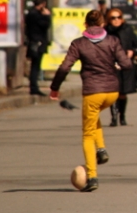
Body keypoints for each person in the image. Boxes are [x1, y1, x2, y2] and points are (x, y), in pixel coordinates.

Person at [48, 10, 132, 192]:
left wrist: (55, 87)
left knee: (87, 134)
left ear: (85, 25)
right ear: (103, 24)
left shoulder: (79, 44)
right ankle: (101, 149)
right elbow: (126, 64)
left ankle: (92, 177)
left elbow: (64, 67)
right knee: (93, 118)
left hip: (93, 92)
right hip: (112, 93)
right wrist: (115, 66)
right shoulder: (112, 40)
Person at [105, 8, 137, 127]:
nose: (116, 20)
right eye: (113, 18)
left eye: (118, 17)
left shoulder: (128, 29)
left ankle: (122, 116)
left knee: (122, 93)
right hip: (111, 65)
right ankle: (114, 118)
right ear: (109, 20)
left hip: (125, 65)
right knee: (113, 92)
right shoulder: (105, 32)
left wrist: (132, 51)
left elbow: (136, 45)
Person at [24, 0, 51, 96]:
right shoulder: (36, 15)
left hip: (33, 42)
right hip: (37, 43)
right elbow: (45, 25)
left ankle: (34, 86)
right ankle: (34, 87)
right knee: (35, 66)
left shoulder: (31, 14)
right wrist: (47, 16)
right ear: (42, 4)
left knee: (35, 66)